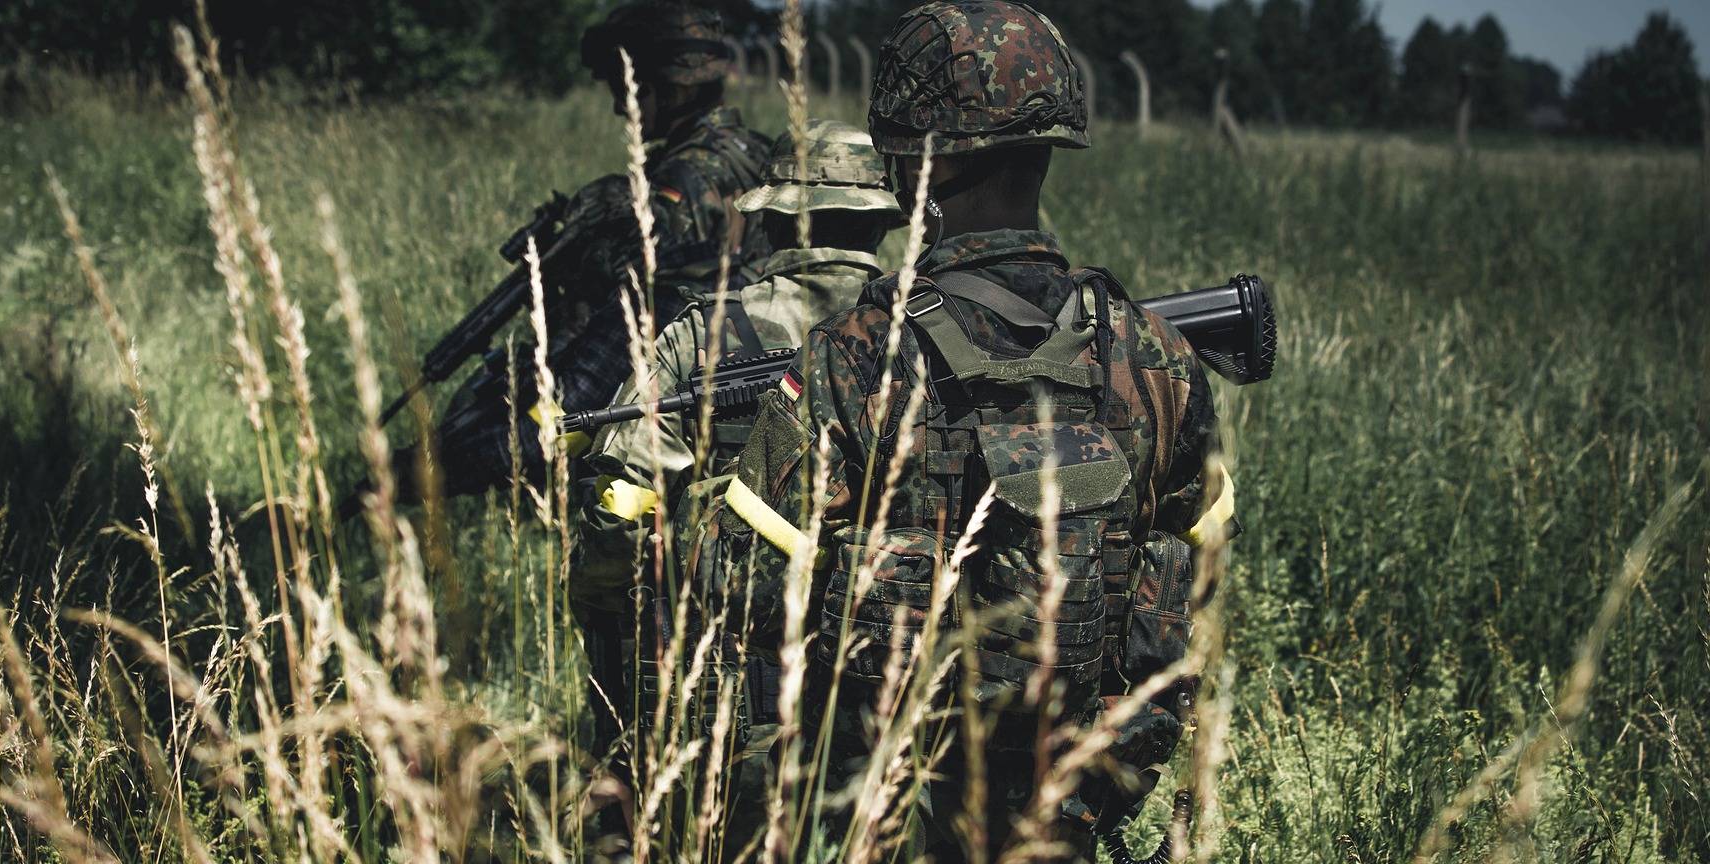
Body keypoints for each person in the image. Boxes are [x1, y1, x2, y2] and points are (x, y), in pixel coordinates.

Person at [706, 2, 1228, 860]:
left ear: (920, 157)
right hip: (1077, 822)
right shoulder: (1159, 357)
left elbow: (733, 584)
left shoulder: (856, 354)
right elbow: (1193, 584)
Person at [569, 118, 900, 856]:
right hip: (897, 669)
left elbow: (625, 503)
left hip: (738, 681)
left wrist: (615, 630)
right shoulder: (925, 331)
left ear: (776, 215)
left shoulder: (707, 334)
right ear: (883, 221)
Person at [425, 1, 771, 500]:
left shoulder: (675, 188)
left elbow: (607, 367)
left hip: (685, 447)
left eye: (630, 91)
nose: (619, 109)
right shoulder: (757, 153)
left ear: (669, 88)